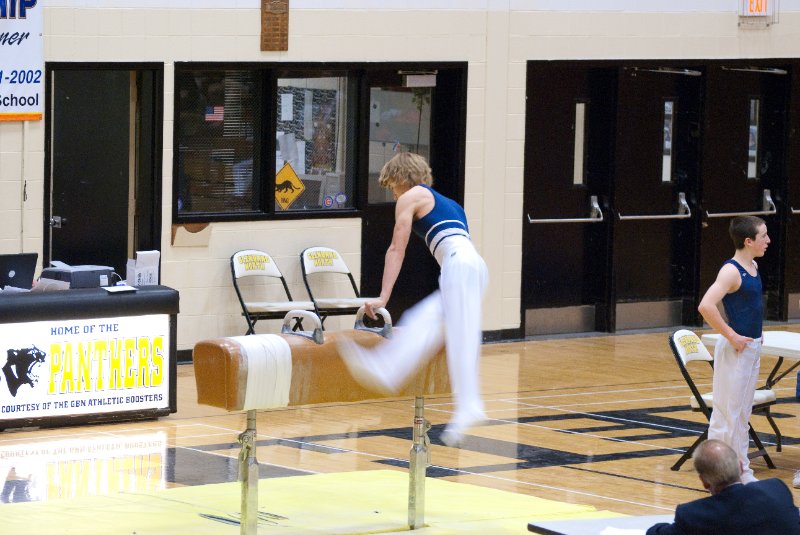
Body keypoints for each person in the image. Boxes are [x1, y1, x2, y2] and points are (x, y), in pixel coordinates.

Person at [336, 152, 489, 447]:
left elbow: (397, 248)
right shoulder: (450, 203)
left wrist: (383, 296)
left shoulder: (411, 197)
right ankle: (387, 367)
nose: (393, 194)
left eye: (392, 186)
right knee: (423, 321)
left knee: (461, 335)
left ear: (401, 178)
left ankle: (469, 403)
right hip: (470, 266)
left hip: (459, 266)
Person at [696, 215, 769, 484]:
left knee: (740, 415)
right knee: (728, 415)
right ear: (748, 241)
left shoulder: (753, 266)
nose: (768, 240)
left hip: (750, 349)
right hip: (736, 351)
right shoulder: (731, 271)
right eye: (763, 236)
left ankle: (736, 470)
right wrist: (732, 335)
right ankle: (725, 474)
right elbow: (706, 306)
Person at [646, 439, 800, 534]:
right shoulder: (777, 489)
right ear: (741, 467)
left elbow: (654, 533)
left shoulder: (695, 515)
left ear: (704, 481)